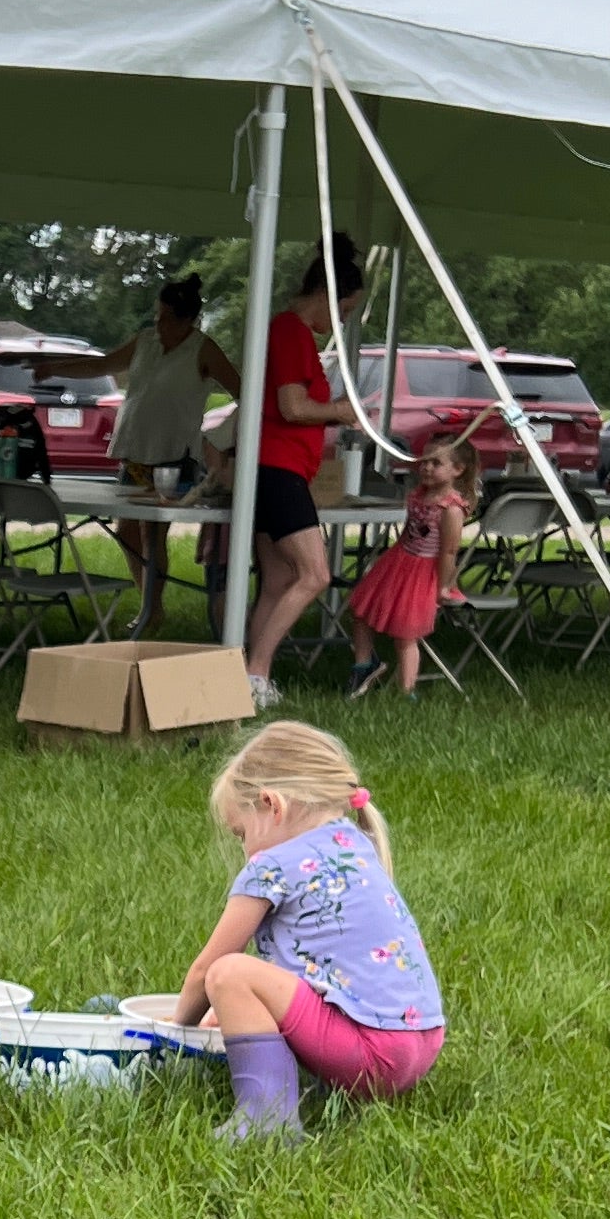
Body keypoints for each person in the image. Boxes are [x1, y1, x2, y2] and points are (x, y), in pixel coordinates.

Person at [173, 720, 444, 1141]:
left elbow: (205, 970)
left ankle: (268, 1123)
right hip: (421, 1044)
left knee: (229, 972)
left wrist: (172, 1028)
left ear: (271, 805)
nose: (244, 848)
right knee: (239, 984)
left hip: (371, 1054)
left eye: (241, 833)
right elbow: (312, 969)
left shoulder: (270, 866)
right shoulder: (353, 845)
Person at [239, 233, 370, 707]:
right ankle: (255, 673)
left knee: (277, 580)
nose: (344, 319)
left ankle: (253, 676)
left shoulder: (286, 331)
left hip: (275, 468)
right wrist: (340, 411)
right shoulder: (291, 331)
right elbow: (292, 406)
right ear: (329, 297)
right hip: (278, 468)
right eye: (346, 309)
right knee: (314, 575)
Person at [107, 271, 242, 631]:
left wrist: (225, 440)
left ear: (188, 320)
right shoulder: (146, 341)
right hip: (135, 450)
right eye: (158, 315)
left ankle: (151, 611)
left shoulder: (203, 348)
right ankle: (150, 604)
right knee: (126, 532)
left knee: (153, 535)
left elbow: (244, 392)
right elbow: (104, 363)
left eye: (167, 318)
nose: (159, 323)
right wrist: (50, 367)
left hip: (173, 455)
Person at [344, 435, 476, 699]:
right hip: (399, 561)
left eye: (435, 463)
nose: (426, 467)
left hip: (425, 572)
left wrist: (444, 585)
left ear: (457, 470)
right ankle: (364, 664)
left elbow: (449, 551)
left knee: (406, 632)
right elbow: (409, 534)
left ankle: (407, 690)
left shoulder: (451, 509)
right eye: (423, 461)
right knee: (359, 609)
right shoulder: (419, 496)